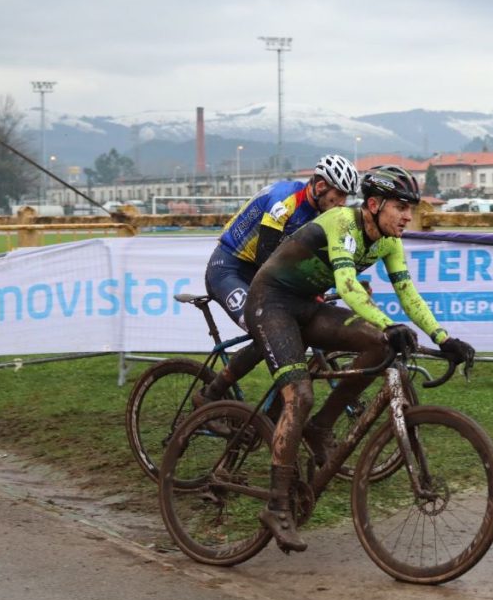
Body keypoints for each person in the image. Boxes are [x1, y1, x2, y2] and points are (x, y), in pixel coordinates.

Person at [243, 165, 475, 552]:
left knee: (379, 346)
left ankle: (321, 428)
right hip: (271, 301)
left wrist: (443, 337)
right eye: (401, 207)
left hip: (306, 306)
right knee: (298, 396)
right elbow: (348, 286)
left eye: (410, 209)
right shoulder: (342, 223)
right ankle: (277, 504)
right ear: (373, 204)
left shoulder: (388, 241)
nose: (407, 217)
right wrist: (388, 324)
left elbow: (408, 295)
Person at [198, 154, 359, 402]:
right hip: (227, 269)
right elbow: (267, 257)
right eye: (337, 196)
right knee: (267, 329)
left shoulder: (322, 213)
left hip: (259, 272)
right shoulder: (284, 201)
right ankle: (211, 394)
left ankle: (276, 410)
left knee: (296, 324)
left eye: (346, 197)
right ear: (319, 186)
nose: (342, 203)